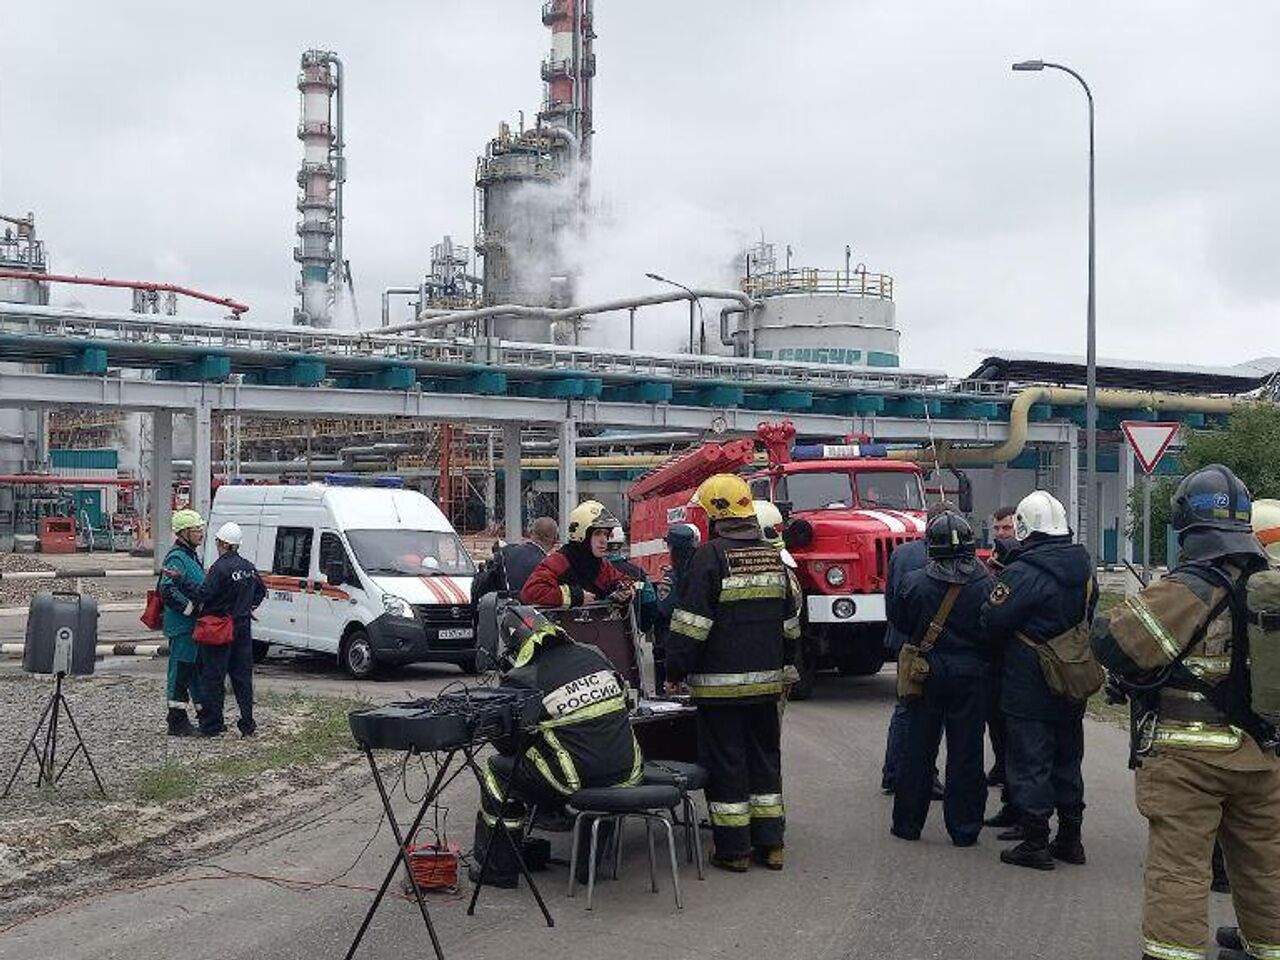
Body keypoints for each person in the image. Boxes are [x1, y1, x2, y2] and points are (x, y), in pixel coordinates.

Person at [1091, 466, 1279, 960]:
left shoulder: (1188, 588)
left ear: (1186, 526)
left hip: (1188, 758)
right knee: (1265, 865)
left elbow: (1113, 641)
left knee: (1180, 868)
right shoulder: (1268, 584)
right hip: (1261, 754)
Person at [666, 474, 802, 872]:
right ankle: (772, 844)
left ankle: (735, 850)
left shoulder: (709, 557)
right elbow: (790, 626)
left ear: (715, 515)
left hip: (719, 689)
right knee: (765, 760)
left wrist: (676, 668)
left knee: (728, 763)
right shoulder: (772, 556)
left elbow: (691, 625)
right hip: (767, 685)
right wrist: (782, 663)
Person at [475, 604, 643, 886]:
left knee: (499, 772)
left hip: (577, 780)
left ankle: (499, 869)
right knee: (566, 747)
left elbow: (509, 746)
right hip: (628, 770)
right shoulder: (594, 654)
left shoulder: (523, 677)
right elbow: (626, 702)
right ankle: (587, 860)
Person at [981, 491, 1097, 869]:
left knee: (1030, 761)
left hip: (1028, 681)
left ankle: (1035, 842)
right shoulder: (1085, 569)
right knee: (1068, 758)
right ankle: (1071, 838)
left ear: (1023, 527)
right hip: (1072, 677)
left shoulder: (1022, 572)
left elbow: (993, 620)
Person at [889, 511, 994, 846]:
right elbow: (995, 629)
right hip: (972, 671)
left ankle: (907, 823)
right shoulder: (988, 583)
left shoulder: (914, 581)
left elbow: (901, 622)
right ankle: (964, 828)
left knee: (918, 748)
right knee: (967, 751)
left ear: (930, 546)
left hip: (926, 670)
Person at [881, 500, 955, 794]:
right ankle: (926, 776)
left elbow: (892, 602)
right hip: (936, 646)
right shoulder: (949, 557)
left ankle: (893, 773)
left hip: (905, 643)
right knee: (932, 716)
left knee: (904, 708)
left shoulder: (901, 554)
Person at [169, 522, 267, 737]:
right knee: (242, 678)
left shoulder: (219, 568)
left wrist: (181, 580)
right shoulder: (248, 567)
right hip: (243, 627)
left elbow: (202, 594)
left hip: (220, 629)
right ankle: (247, 724)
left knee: (213, 677)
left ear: (221, 543)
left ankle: (212, 725)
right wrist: (247, 606)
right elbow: (261, 591)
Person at [521, 501, 633, 608]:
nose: (604, 540)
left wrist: (623, 591)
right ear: (581, 535)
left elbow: (624, 580)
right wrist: (574, 596)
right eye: (598, 533)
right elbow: (530, 593)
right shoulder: (559, 562)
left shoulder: (601, 564)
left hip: (598, 626)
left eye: (606, 534)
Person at [158, 509, 207, 737]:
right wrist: (189, 608)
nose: (201, 533)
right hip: (183, 626)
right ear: (184, 532)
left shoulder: (190, 556)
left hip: (193, 626)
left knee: (194, 670)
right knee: (180, 670)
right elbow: (167, 588)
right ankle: (176, 721)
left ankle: (204, 715)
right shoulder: (177, 557)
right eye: (197, 530)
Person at [985, 505, 1017, 790]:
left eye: (1006, 528)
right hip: (993, 660)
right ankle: (1000, 764)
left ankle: (1011, 772)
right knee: (994, 718)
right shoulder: (992, 563)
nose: (1001, 534)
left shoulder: (1021, 566)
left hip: (1016, 659)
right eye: (996, 529)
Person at [652, 523, 700, 694]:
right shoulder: (702, 571)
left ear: (671, 546)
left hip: (672, 646)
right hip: (700, 647)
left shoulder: (670, 578)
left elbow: (663, 609)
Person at [472, 517, 560, 602]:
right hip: (531, 614)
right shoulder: (547, 565)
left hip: (500, 611)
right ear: (554, 540)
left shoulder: (505, 552)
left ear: (530, 533)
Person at [606, 525, 659, 633]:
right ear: (622, 543)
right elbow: (649, 605)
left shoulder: (588, 570)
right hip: (627, 636)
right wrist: (643, 626)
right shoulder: (637, 573)